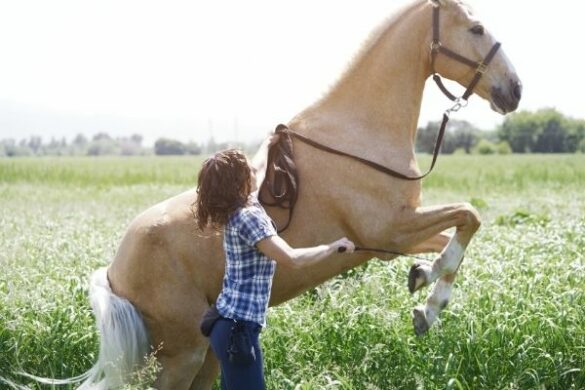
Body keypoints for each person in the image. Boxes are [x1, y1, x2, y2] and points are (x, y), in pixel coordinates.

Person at [194, 134, 355, 389]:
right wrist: (333, 247)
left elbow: (257, 166)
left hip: (229, 326)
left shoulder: (242, 205)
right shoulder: (248, 218)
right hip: (237, 330)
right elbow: (291, 259)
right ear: (239, 181)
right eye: (246, 169)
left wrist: (269, 142)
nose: (252, 169)